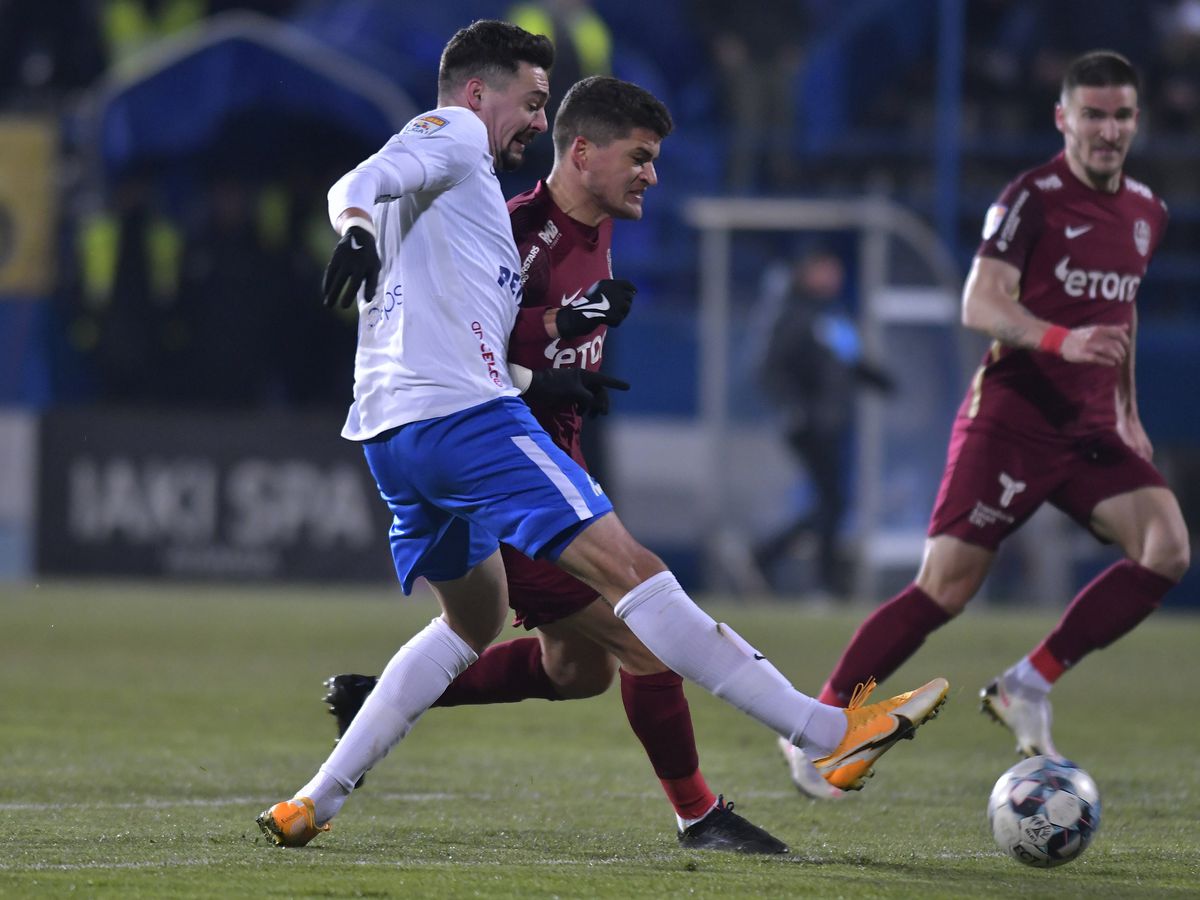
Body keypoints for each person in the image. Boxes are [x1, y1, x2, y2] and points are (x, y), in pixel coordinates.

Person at [255, 19, 949, 849]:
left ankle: (314, 801)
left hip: (394, 438)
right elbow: (360, 183)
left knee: (483, 634)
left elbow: (470, 312)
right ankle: (826, 737)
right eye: (533, 100)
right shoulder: (453, 137)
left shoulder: (485, 206)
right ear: (479, 93)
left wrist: (547, 354)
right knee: (639, 589)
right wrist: (359, 231)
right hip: (467, 425)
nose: (538, 121)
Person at [322, 74, 795, 853]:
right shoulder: (513, 232)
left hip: (558, 464)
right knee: (645, 640)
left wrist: (562, 367)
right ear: (583, 154)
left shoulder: (598, 225)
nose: (652, 175)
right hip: (506, 480)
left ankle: (388, 698)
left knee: (579, 671)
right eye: (639, 158)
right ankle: (700, 815)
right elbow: (466, 352)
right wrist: (548, 353)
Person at [780, 50, 1189, 796]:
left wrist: (1128, 412)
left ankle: (1028, 682)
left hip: (1093, 428)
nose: (1107, 130)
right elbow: (980, 304)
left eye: (1121, 115)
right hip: (1014, 417)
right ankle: (815, 721)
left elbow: (1119, 313)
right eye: (1092, 115)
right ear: (1063, 118)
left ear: (1137, 119)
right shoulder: (1031, 198)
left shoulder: (1146, 212)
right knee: (946, 588)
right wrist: (1063, 340)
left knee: (1166, 549)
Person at [751, 245, 894, 598]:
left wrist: (881, 381)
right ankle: (817, 581)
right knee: (832, 501)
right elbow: (772, 368)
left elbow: (850, 361)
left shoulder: (832, 315)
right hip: (810, 424)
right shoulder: (795, 315)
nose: (833, 277)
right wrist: (794, 408)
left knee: (832, 502)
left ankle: (771, 556)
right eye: (825, 270)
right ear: (807, 273)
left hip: (834, 423)